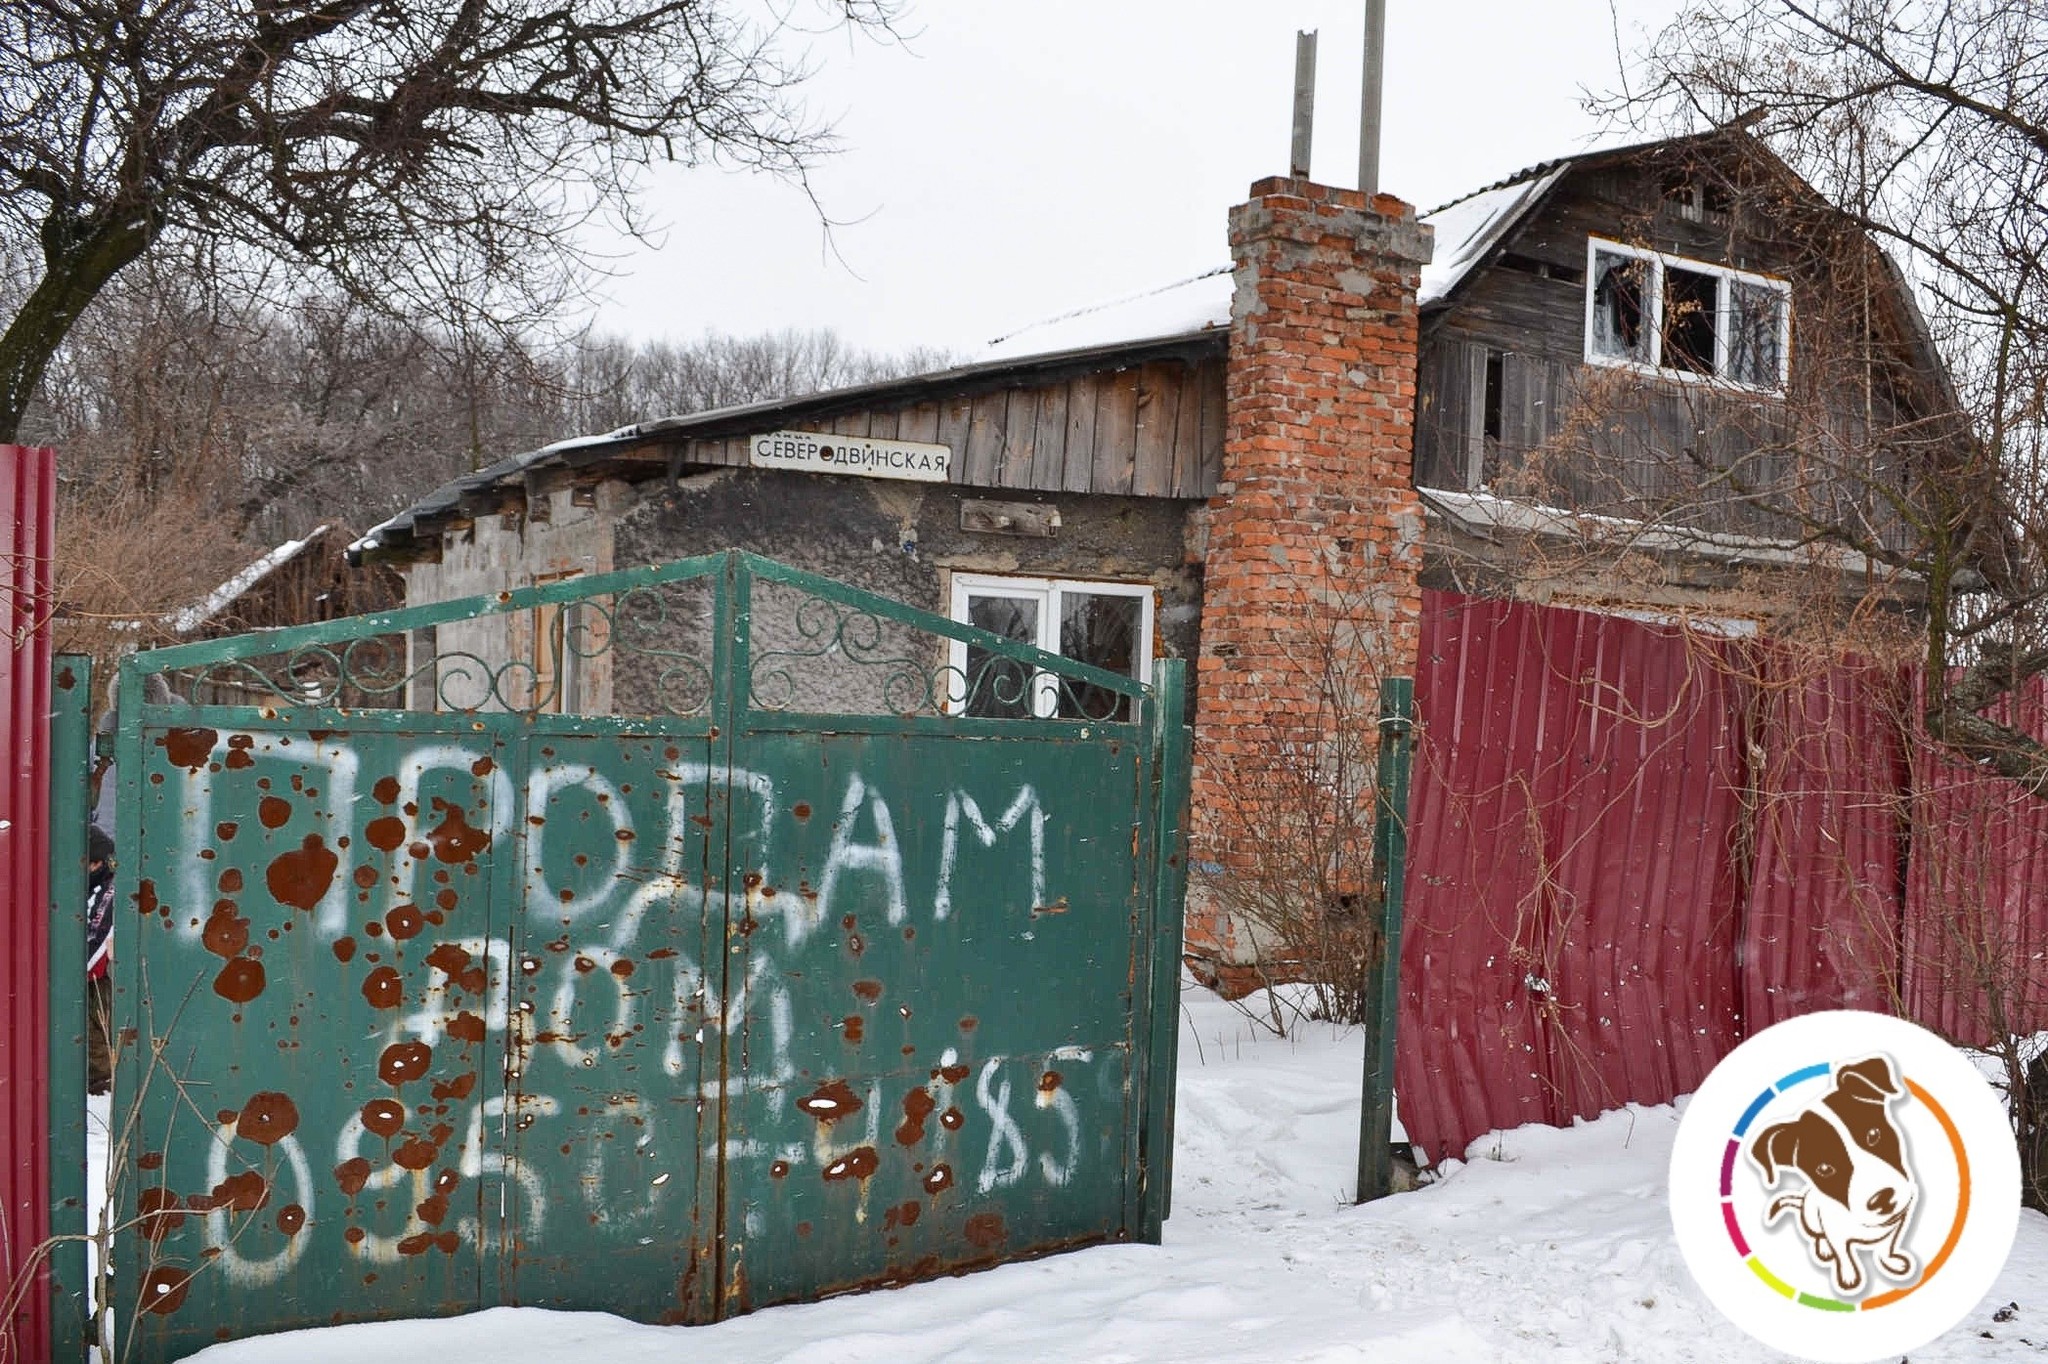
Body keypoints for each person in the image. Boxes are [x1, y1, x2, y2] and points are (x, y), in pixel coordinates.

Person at [85, 824, 114, 1096]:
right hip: (101, 976)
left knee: (95, 1023)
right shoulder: (104, 885)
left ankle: (101, 1084)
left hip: (100, 978)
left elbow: (99, 934)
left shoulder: (109, 891)